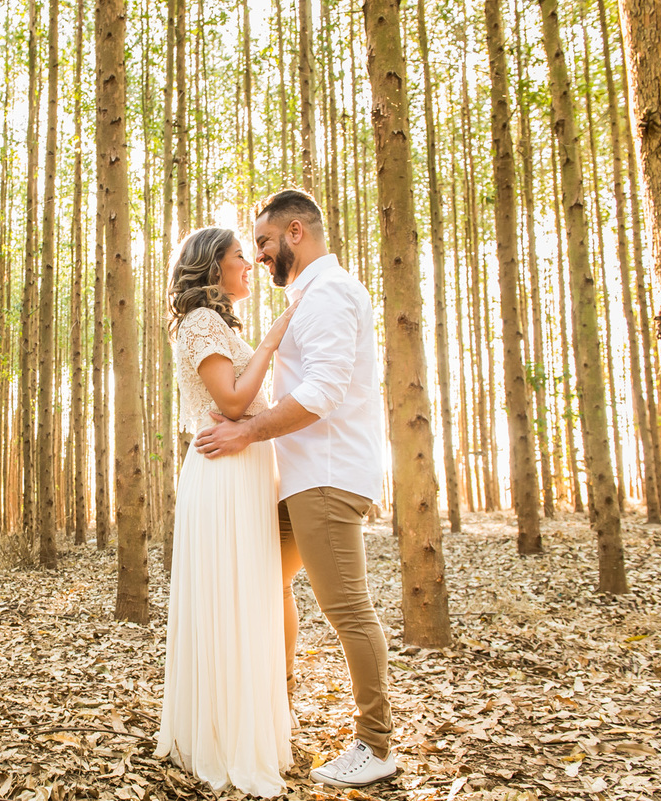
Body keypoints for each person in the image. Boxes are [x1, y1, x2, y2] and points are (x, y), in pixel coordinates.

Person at [194, 188, 397, 789]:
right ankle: (274, 708)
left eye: (263, 242)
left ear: (295, 234)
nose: (257, 255)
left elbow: (323, 392)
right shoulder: (307, 300)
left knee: (346, 608)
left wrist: (247, 432)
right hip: (299, 478)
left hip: (327, 477)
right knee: (264, 584)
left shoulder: (331, 294)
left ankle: (375, 743)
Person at [155, 226, 300, 796]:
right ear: (213, 266)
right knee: (231, 597)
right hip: (223, 474)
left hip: (244, 471)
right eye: (241, 256)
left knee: (249, 597)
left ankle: (242, 720)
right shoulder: (201, 323)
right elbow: (233, 402)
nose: (250, 265)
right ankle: (223, 735)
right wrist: (271, 341)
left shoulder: (217, 325)